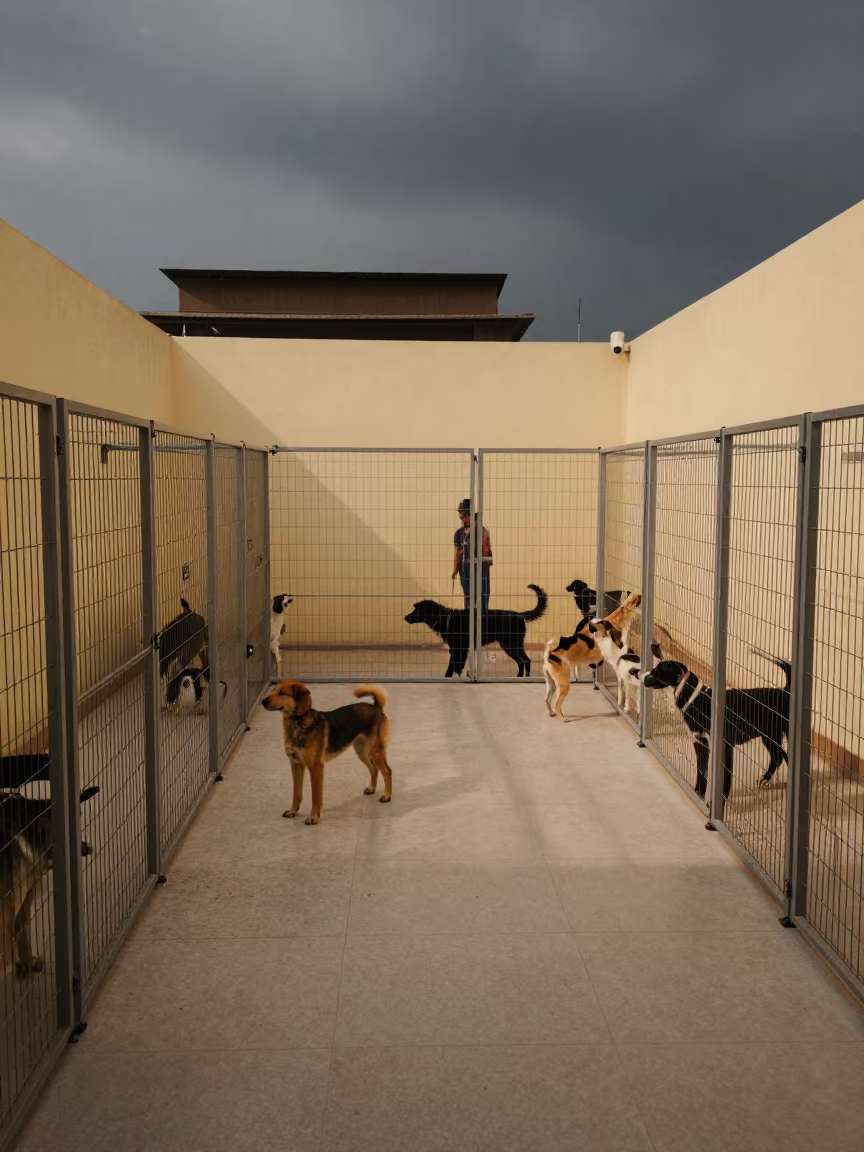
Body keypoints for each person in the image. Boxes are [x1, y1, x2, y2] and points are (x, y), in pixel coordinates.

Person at [452, 498, 492, 613]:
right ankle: (469, 622)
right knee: (468, 595)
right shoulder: (459, 533)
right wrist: (455, 569)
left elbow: (486, 553)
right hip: (465, 569)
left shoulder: (482, 531)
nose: (462, 517)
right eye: (460, 515)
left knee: (483, 594)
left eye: (464, 514)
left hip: (481, 569)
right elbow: (457, 552)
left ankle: (482, 621)